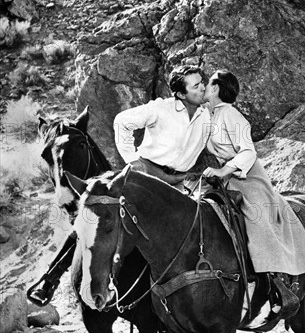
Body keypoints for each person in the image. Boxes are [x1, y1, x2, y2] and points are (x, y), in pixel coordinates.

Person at [28, 65, 211, 306]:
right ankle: (51, 277)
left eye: (202, 82)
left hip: (178, 180)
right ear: (180, 93)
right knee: (101, 215)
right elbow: (122, 121)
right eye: (196, 85)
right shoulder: (159, 108)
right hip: (146, 172)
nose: (203, 87)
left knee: (189, 227)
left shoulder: (206, 115)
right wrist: (133, 161)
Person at [201, 69, 305, 317]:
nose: (205, 87)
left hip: (247, 176)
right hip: (222, 177)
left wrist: (224, 171)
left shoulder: (233, 116)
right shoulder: (209, 115)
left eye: (209, 82)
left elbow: (247, 151)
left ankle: (277, 284)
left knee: (257, 218)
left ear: (216, 88)